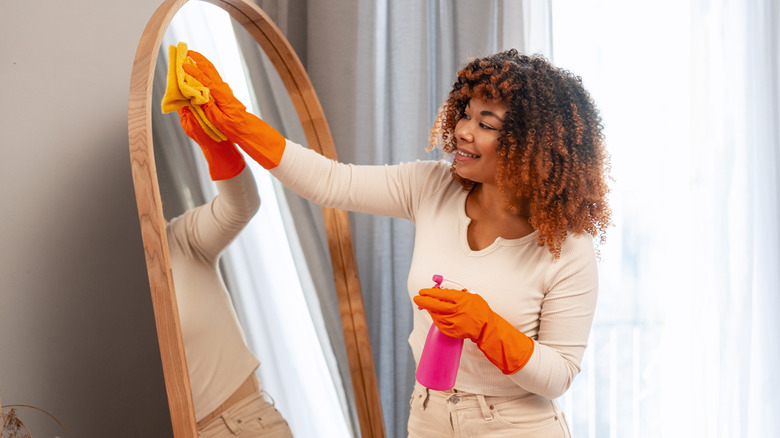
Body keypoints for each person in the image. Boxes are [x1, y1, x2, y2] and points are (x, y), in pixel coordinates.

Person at [179, 48, 611, 437]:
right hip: (429, 414)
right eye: (465, 114)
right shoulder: (431, 187)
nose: (462, 131)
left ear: (530, 146)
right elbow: (331, 181)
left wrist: (486, 326)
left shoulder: (567, 247)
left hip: (516, 426)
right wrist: (237, 121)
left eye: (486, 124)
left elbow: (557, 376)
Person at [167, 106, 294, 438]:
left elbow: (240, 206)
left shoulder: (177, 239)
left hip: (243, 425)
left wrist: (213, 141)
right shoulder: (96, 292)